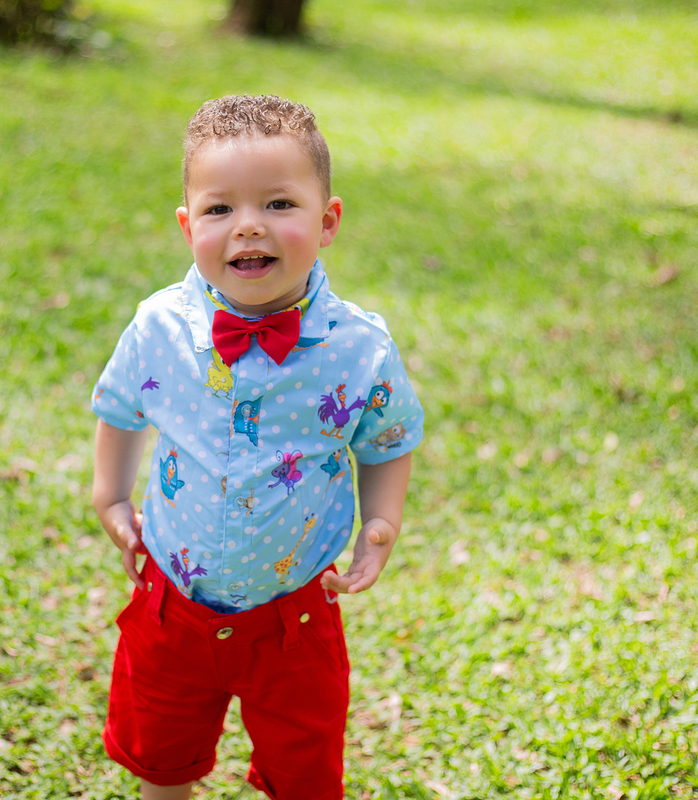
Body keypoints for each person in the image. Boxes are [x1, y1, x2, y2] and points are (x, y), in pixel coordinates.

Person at [90, 94, 424, 800]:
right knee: (163, 760)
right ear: (188, 227)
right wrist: (111, 495)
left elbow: (389, 439)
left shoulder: (358, 348)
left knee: (303, 771)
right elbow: (120, 409)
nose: (248, 227)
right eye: (219, 210)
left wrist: (382, 523)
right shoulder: (160, 326)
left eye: (278, 204)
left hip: (295, 616)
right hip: (173, 602)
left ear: (327, 221)